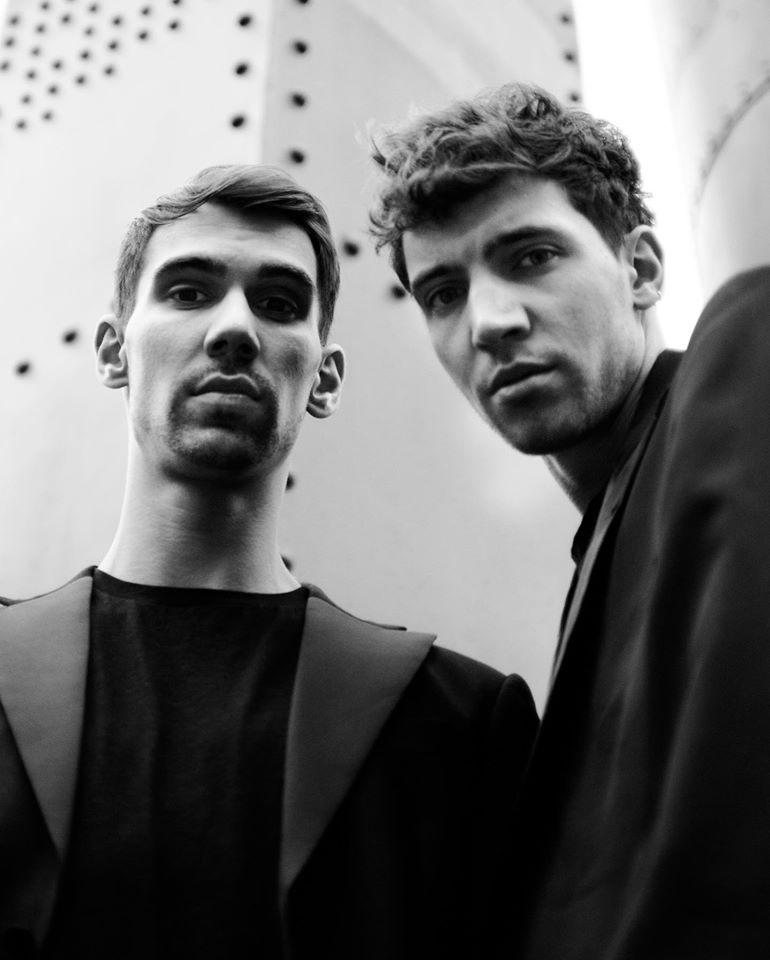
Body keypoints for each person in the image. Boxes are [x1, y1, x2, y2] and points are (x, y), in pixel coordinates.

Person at [0, 164, 538, 960]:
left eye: (280, 303)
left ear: (325, 378)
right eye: (188, 291)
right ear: (114, 353)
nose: (234, 329)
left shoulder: (457, 722)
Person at [369, 83, 770, 958]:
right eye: (443, 293)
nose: (490, 322)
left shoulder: (746, 361)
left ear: (642, 269)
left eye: (532, 256)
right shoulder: (607, 544)